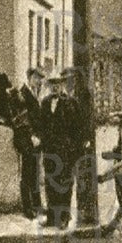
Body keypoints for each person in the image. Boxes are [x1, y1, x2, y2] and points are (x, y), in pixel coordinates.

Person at [39, 68, 85, 229]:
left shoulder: (71, 103)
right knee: (50, 181)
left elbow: (78, 127)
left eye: (57, 84)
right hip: (49, 149)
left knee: (64, 182)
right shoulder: (44, 103)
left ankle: (64, 217)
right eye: (52, 84)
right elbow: (40, 126)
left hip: (65, 149)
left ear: (62, 85)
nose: (55, 87)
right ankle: (52, 217)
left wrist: (75, 148)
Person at [18, 67, 45, 220]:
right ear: (29, 78)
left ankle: (37, 205)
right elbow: (22, 119)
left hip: (36, 140)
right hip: (26, 140)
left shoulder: (35, 93)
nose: (39, 81)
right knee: (27, 175)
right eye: (36, 78)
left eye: (40, 79)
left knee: (35, 172)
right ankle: (27, 208)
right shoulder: (23, 94)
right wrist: (32, 136)